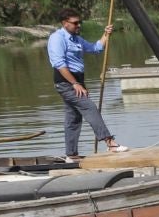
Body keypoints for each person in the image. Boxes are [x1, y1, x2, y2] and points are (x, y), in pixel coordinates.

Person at [47, 10, 128, 161]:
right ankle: (110, 144)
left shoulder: (76, 39)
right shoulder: (57, 38)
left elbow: (95, 48)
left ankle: (71, 155)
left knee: (73, 119)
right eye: (75, 23)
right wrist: (76, 84)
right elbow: (59, 64)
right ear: (65, 23)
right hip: (66, 83)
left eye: (80, 22)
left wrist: (106, 34)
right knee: (89, 107)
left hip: (77, 82)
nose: (79, 25)